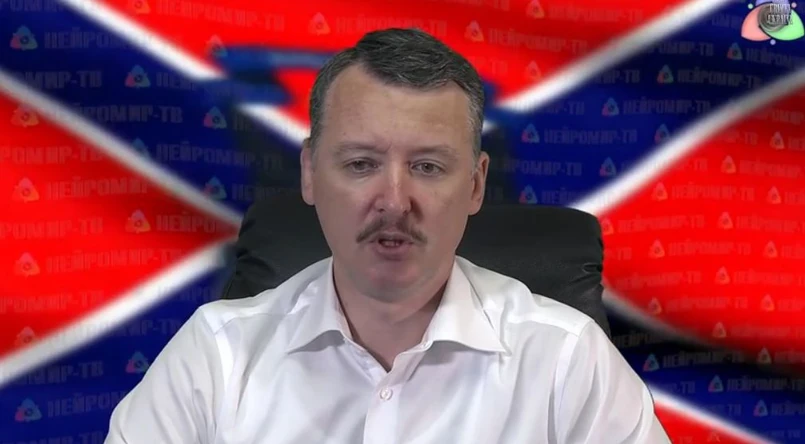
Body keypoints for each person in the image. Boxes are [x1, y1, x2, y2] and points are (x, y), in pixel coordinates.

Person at [105, 28, 671, 443]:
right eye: (360, 164)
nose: (395, 201)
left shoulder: (567, 359)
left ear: (476, 185)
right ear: (309, 174)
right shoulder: (217, 355)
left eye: (427, 167)